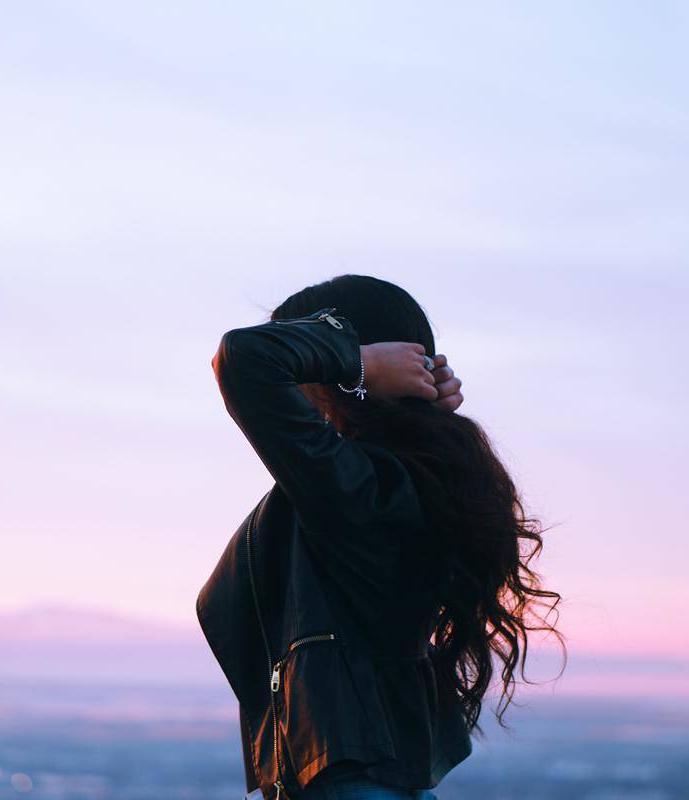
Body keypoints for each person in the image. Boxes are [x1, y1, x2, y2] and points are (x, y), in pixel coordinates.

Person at [196, 275, 564, 799]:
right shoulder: (397, 485)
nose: (301, 386)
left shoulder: (364, 490)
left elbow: (243, 358)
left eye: (310, 362)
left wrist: (355, 366)